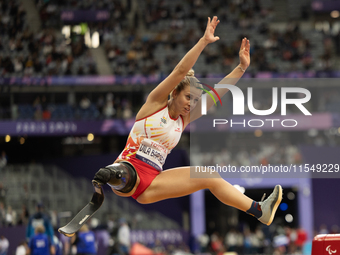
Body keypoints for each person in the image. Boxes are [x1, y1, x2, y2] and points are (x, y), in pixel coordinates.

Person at [93, 16, 282, 226]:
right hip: (129, 170)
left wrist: (241, 68)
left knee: (209, 175)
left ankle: (259, 210)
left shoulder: (184, 119)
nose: (191, 104)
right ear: (174, 93)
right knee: (122, 174)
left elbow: (217, 93)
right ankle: (112, 173)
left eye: (195, 100)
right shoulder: (154, 104)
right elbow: (180, 72)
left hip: (154, 181)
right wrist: (203, 41)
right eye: (188, 97)